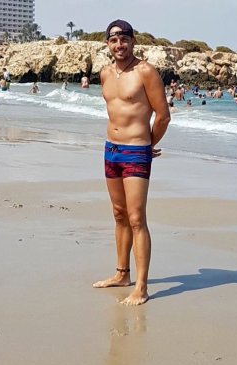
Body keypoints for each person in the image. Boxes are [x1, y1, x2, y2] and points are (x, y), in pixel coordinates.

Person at [92, 19, 170, 305]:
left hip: (136, 151)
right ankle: (121, 274)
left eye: (124, 39)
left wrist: (149, 144)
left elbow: (163, 116)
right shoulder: (105, 73)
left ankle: (142, 287)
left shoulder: (145, 71)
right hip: (110, 150)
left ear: (133, 41)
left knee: (137, 219)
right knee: (119, 214)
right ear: (108, 44)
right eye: (114, 40)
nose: (119, 45)